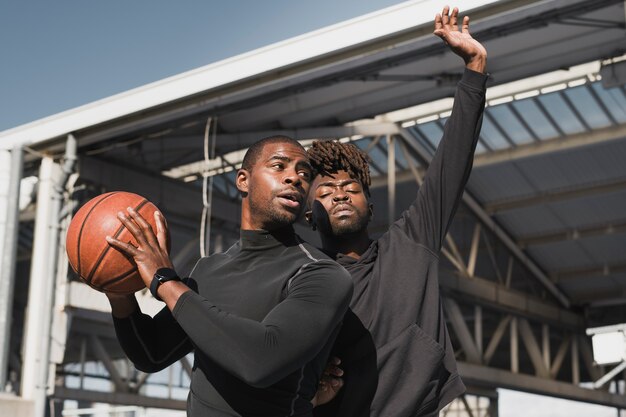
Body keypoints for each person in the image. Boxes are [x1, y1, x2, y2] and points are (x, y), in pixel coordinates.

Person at [305, 6, 488, 417]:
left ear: (370, 205)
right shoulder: (299, 276)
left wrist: (474, 70)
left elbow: (451, 165)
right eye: (327, 190)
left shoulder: (411, 243)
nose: (340, 195)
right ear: (307, 214)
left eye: (351, 188)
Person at [105, 136, 353, 417]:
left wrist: (165, 282)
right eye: (279, 166)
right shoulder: (207, 271)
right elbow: (151, 354)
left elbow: (261, 361)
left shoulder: (320, 274)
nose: (294, 179)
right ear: (243, 180)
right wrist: (116, 287)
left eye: (304, 174)